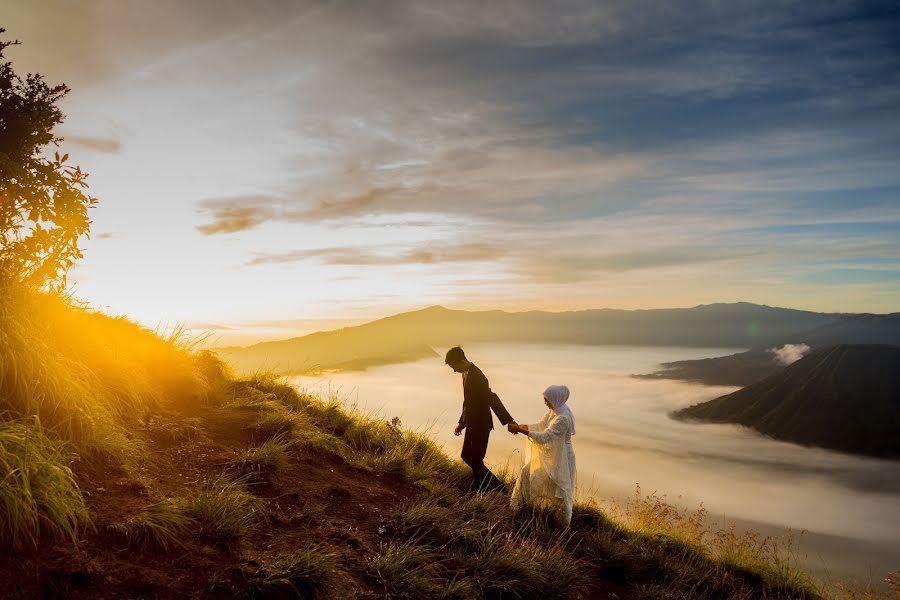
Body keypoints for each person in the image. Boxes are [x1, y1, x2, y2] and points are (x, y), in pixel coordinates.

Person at [445, 346, 518, 493]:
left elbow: (491, 398)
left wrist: (508, 420)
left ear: (461, 361)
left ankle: (491, 490)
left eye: (453, 366)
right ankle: (493, 488)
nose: (453, 370)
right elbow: (468, 401)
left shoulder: (477, 376)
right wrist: (462, 423)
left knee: (476, 459)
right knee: (467, 455)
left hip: (481, 425)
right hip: (472, 423)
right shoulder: (465, 373)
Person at [509, 385, 577, 525]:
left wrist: (521, 431)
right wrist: (521, 426)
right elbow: (540, 425)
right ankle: (525, 506)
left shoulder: (563, 418)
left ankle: (562, 524)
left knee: (561, 490)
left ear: (555, 399)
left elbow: (545, 437)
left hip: (562, 457)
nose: (545, 402)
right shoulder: (554, 411)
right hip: (555, 453)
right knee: (527, 471)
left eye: (547, 399)